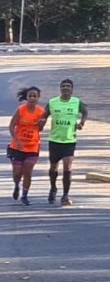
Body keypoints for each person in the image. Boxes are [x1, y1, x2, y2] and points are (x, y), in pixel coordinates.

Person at [38, 78, 88, 206]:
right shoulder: (52, 102)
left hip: (69, 140)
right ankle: (53, 188)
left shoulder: (76, 102)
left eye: (68, 86)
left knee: (67, 168)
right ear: (60, 88)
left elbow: (85, 111)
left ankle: (65, 195)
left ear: (72, 89)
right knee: (53, 168)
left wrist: (81, 123)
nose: (65, 88)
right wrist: (42, 122)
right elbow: (44, 115)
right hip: (54, 140)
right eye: (63, 86)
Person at [7, 86, 44, 205]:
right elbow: (11, 126)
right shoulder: (21, 110)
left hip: (33, 146)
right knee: (17, 173)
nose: (32, 98)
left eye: (34, 96)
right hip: (17, 147)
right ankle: (17, 185)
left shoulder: (41, 112)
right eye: (30, 96)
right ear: (27, 97)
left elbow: (40, 129)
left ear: (38, 98)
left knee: (28, 171)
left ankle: (24, 195)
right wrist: (17, 140)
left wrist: (42, 123)